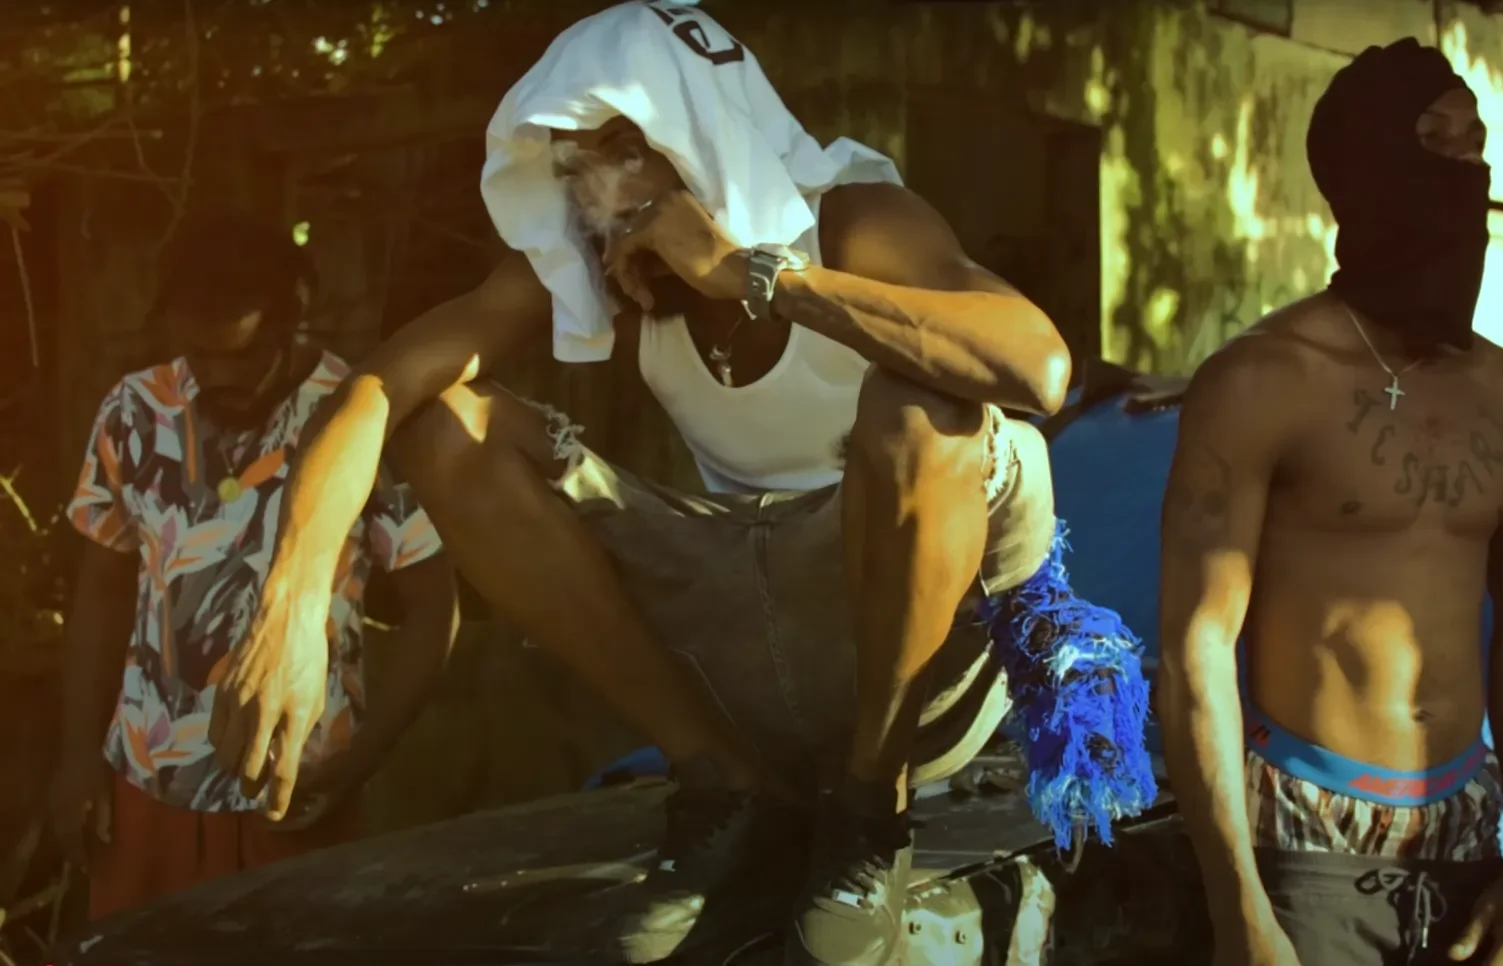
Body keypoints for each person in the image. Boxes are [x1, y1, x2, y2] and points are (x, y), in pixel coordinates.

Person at [206, 6, 1151, 966]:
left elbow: (1036, 367)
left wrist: (758, 277)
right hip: (754, 626)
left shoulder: (848, 216)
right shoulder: (615, 269)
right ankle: (723, 787)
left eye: (622, 153)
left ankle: (870, 813)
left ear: (699, 133)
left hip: (922, 658)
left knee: (920, 407)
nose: (596, 193)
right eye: (573, 165)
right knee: (448, 424)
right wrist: (292, 601)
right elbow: (377, 388)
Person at [1158, 40, 1503, 966]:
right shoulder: (1262, 382)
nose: (1462, 170)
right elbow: (1195, 648)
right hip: (1303, 841)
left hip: (1469, 839)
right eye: (1432, 141)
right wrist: (1238, 905)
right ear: (1363, 170)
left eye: (1474, 144)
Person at [43, 209, 458, 922]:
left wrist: (356, 766)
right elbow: (101, 593)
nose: (219, 377)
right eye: (200, 355)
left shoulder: (356, 421)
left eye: (242, 355)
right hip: (145, 793)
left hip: (292, 799)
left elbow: (434, 608)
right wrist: (79, 756)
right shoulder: (132, 413)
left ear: (292, 313)